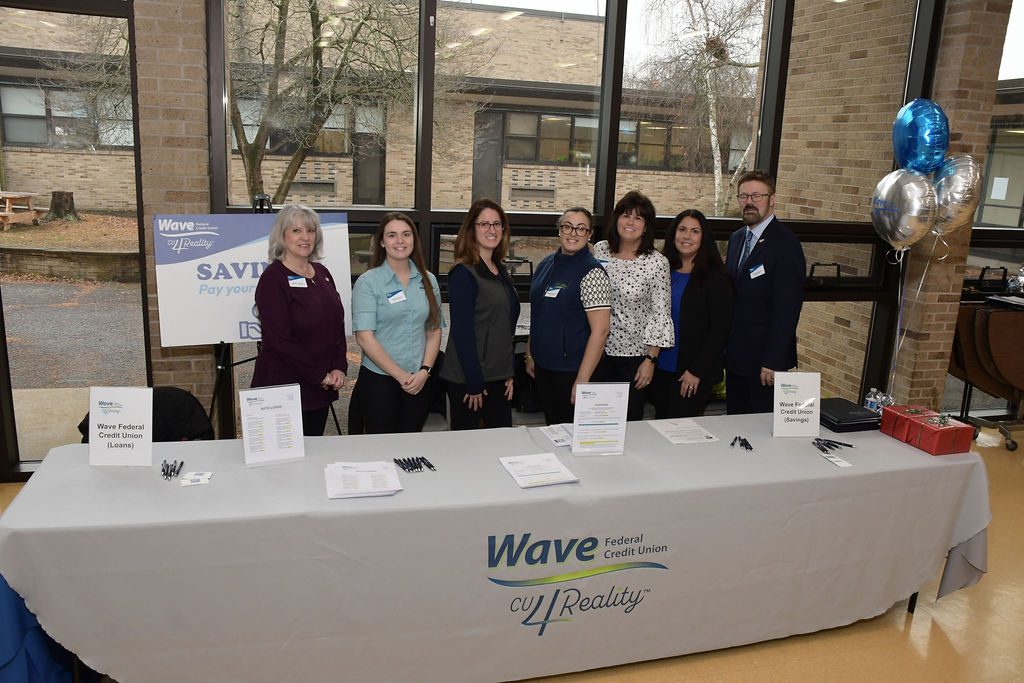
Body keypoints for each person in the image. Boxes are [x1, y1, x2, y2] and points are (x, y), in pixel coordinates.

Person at [251, 204, 347, 436]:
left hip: (319, 390)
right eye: (296, 230)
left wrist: (339, 366)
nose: (305, 236)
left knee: (313, 453)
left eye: (310, 230)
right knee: (284, 457)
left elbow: (337, 325)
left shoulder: (322, 273)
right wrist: (319, 376)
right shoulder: (273, 279)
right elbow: (280, 339)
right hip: (283, 390)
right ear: (282, 236)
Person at [351, 213, 443, 434]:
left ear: (414, 239)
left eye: (406, 234)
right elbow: (364, 337)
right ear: (382, 242)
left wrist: (425, 371)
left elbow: (434, 329)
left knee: (410, 444)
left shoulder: (428, 280)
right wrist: (402, 376)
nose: (400, 241)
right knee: (382, 447)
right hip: (380, 382)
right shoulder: (368, 282)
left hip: (419, 381)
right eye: (392, 235)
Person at [724, 170, 806, 414]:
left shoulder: (786, 244)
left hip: (765, 366)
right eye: (743, 196)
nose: (749, 202)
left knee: (759, 429)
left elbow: (787, 310)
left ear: (772, 199)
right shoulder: (737, 238)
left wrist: (772, 361)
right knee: (735, 425)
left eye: (757, 196)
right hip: (737, 359)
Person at [438, 198, 520, 430]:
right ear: (472, 229)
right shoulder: (463, 273)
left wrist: (508, 371)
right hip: (469, 379)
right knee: (469, 447)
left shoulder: (500, 270)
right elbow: (462, 332)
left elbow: (505, 327)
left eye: (497, 224)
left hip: (498, 376)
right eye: (484, 224)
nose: (491, 229)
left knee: (500, 443)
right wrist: (473, 381)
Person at [525, 208, 611, 425]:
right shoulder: (546, 264)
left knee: (570, 435)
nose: (573, 233)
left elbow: (601, 332)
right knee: (552, 429)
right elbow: (538, 314)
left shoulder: (593, 273)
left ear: (589, 234)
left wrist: (582, 380)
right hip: (544, 368)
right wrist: (530, 354)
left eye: (581, 228)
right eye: (568, 227)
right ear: (559, 230)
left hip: (573, 371)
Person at [593, 191, 674, 421]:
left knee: (626, 422)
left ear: (646, 226)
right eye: (626, 215)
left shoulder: (657, 263)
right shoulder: (599, 250)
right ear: (616, 218)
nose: (630, 222)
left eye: (638, 218)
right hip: (595, 351)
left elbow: (661, 314)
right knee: (595, 419)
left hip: (632, 358)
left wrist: (650, 361)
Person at [650, 209, 734, 418]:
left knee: (680, 429)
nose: (687, 236)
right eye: (682, 229)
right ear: (673, 234)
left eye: (695, 231)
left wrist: (697, 371)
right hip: (658, 367)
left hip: (692, 373)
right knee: (658, 425)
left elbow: (720, 330)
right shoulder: (661, 269)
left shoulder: (716, 278)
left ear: (704, 238)